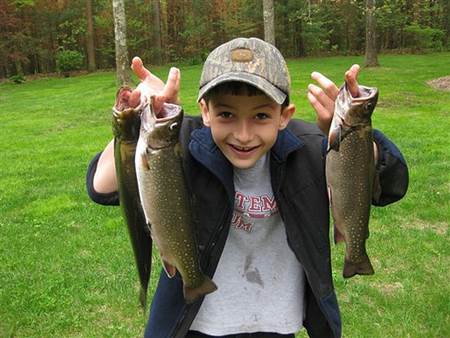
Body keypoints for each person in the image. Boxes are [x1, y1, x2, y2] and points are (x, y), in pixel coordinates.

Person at [86, 37, 408, 338]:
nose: (243, 134)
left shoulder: (311, 150)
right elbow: (101, 187)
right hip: (199, 324)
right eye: (226, 113)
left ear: (285, 116)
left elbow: (393, 182)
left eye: (261, 116)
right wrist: (132, 126)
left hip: (278, 321)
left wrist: (353, 133)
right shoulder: (179, 145)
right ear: (205, 111)